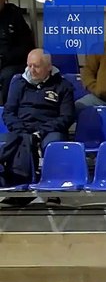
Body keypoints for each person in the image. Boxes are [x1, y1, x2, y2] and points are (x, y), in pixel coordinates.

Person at [0, 48, 74, 188]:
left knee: (54, 143)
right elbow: (8, 112)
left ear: (49, 67)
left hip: (49, 129)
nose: (32, 70)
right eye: (29, 65)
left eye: (37, 66)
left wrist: (40, 132)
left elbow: (67, 117)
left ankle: (53, 187)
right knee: (16, 141)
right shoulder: (18, 84)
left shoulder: (63, 86)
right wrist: (21, 128)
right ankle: (17, 182)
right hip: (22, 128)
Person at [0, 0, 35, 102]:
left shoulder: (14, 15)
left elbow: (27, 45)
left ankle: (6, 110)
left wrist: (5, 57)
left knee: (8, 76)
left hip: (11, 63)